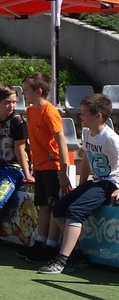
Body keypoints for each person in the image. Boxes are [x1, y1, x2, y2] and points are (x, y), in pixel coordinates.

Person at [40, 94, 119, 274]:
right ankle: (76, 253)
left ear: (98, 115)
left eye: (84, 113)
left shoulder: (111, 138)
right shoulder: (86, 132)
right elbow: (85, 160)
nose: (80, 116)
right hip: (96, 182)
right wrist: (82, 186)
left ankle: (62, 259)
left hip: (109, 183)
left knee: (75, 211)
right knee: (59, 208)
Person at [21, 72, 70, 263]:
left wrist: (63, 172)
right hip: (40, 166)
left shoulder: (49, 112)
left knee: (53, 206)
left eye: (26, 90)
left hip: (52, 166)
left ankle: (51, 245)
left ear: (38, 91)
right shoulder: (30, 111)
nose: (24, 94)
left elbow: (61, 142)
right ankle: (40, 242)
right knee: (42, 205)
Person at [0, 85, 32, 233]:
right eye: (7, 102)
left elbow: (20, 149)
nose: (11, 106)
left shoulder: (17, 121)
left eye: (14, 102)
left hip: (14, 168)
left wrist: (27, 174)